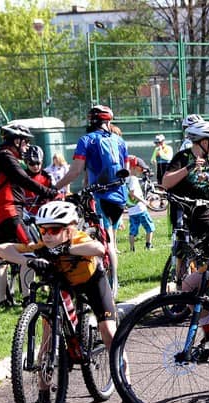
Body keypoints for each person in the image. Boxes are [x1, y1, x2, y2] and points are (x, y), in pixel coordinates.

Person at [0, 200, 125, 403]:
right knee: (47, 340)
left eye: (54, 230)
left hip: (92, 282)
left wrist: (66, 249)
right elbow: (0, 248)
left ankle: (126, 389)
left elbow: (98, 248)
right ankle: (44, 396)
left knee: (109, 332)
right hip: (63, 285)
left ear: (70, 229)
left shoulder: (78, 238)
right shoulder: (42, 246)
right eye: (43, 229)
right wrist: (27, 261)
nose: (47, 235)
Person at [54, 105, 129, 298]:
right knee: (110, 237)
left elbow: (75, 171)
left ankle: (108, 286)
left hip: (101, 196)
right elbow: (125, 169)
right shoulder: (120, 140)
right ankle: (113, 280)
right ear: (108, 121)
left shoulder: (86, 140)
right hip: (120, 197)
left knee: (104, 240)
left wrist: (55, 187)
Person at [0, 123, 58, 308]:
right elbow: (24, 180)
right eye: (25, 142)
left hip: (3, 211)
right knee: (30, 250)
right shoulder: (6, 156)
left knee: (3, 257)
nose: (26, 147)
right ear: (16, 141)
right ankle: (28, 298)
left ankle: (1, 300)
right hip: (11, 211)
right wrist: (50, 192)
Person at [162, 120, 209, 238]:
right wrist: (189, 167)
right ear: (204, 142)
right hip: (182, 212)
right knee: (183, 246)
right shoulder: (181, 157)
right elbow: (166, 183)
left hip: (205, 214)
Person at [125, 156, 155, 251]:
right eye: (141, 168)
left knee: (133, 230)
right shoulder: (133, 179)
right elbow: (132, 194)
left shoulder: (125, 179)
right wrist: (144, 201)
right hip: (140, 209)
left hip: (131, 210)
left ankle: (132, 249)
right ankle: (148, 245)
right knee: (150, 227)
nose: (142, 170)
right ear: (133, 167)